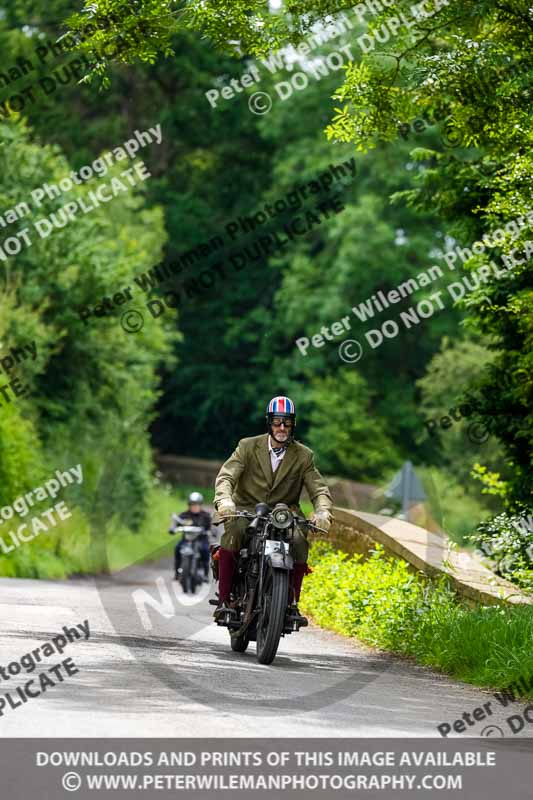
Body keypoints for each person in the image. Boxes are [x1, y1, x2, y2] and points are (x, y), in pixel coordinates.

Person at [213, 396, 333, 624]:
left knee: (298, 542)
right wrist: (225, 501)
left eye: (287, 423)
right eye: (277, 422)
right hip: (247, 509)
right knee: (234, 534)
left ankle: (291, 604)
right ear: (269, 423)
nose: (282, 428)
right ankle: (225, 601)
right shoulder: (247, 446)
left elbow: (318, 489)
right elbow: (227, 476)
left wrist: (323, 511)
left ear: (293, 425)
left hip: (284, 514)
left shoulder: (304, 455)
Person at [169, 491, 212, 580]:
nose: (195, 507)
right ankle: (177, 573)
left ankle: (205, 573)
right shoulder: (184, 515)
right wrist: (172, 529)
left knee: (205, 551)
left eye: (197, 504)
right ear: (189, 505)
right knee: (177, 548)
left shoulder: (206, 516)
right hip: (186, 540)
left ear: (200, 505)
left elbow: (212, 528)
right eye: (192, 504)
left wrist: (210, 532)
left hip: (201, 540)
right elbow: (176, 523)